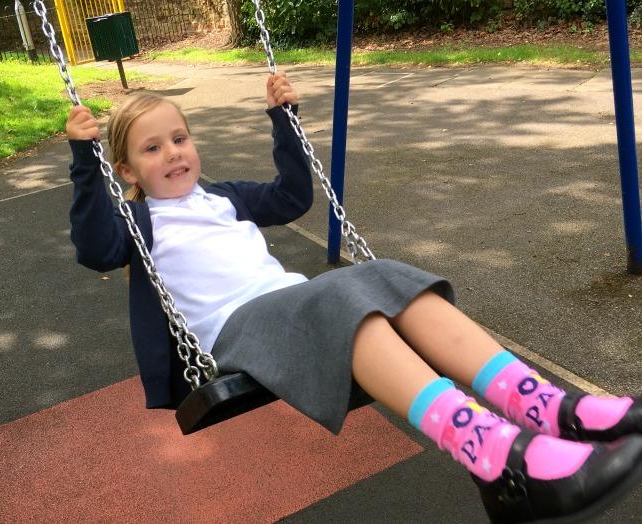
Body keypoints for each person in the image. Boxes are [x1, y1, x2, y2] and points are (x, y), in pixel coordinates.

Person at [66, 72, 642, 523]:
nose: (172, 153)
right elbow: (95, 247)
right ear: (126, 170)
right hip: (239, 331)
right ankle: (495, 457)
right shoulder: (138, 222)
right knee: (342, 301)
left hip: (292, 303)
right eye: (152, 149)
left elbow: (292, 197)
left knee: (390, 278)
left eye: (180, 138)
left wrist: (284, 120)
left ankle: (548, 408)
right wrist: (86, 170)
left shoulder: (223, 198)